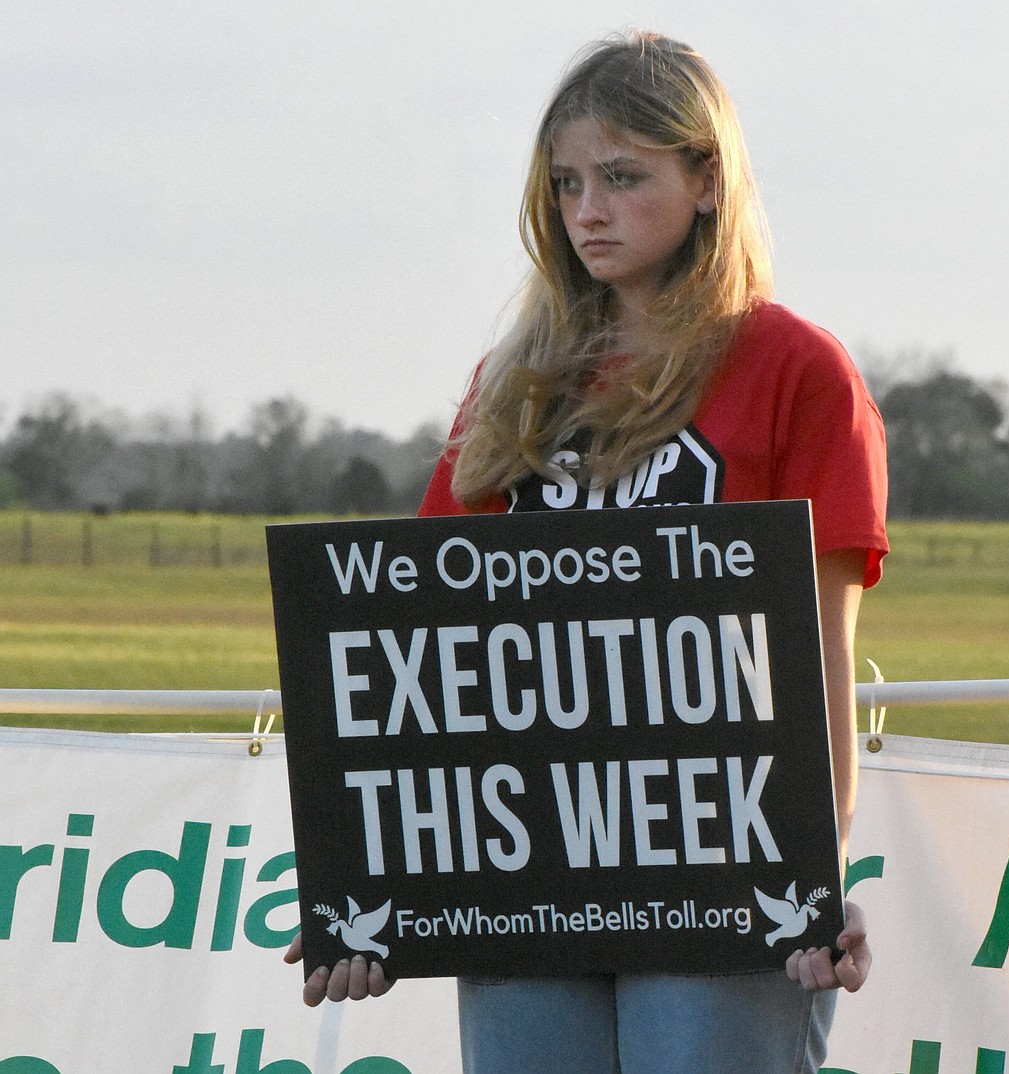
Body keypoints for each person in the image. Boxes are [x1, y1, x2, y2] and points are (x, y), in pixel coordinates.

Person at [286, 30, 888, 1073]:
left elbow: (819, 653)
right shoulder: (516, 382)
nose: (587, 212)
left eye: (622, 177)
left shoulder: (796, 370)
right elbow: (417, 640)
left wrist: (817, 867)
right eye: (566, 183)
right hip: (523, 863)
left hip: (718, 862)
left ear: (706, 179)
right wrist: (371, 897)